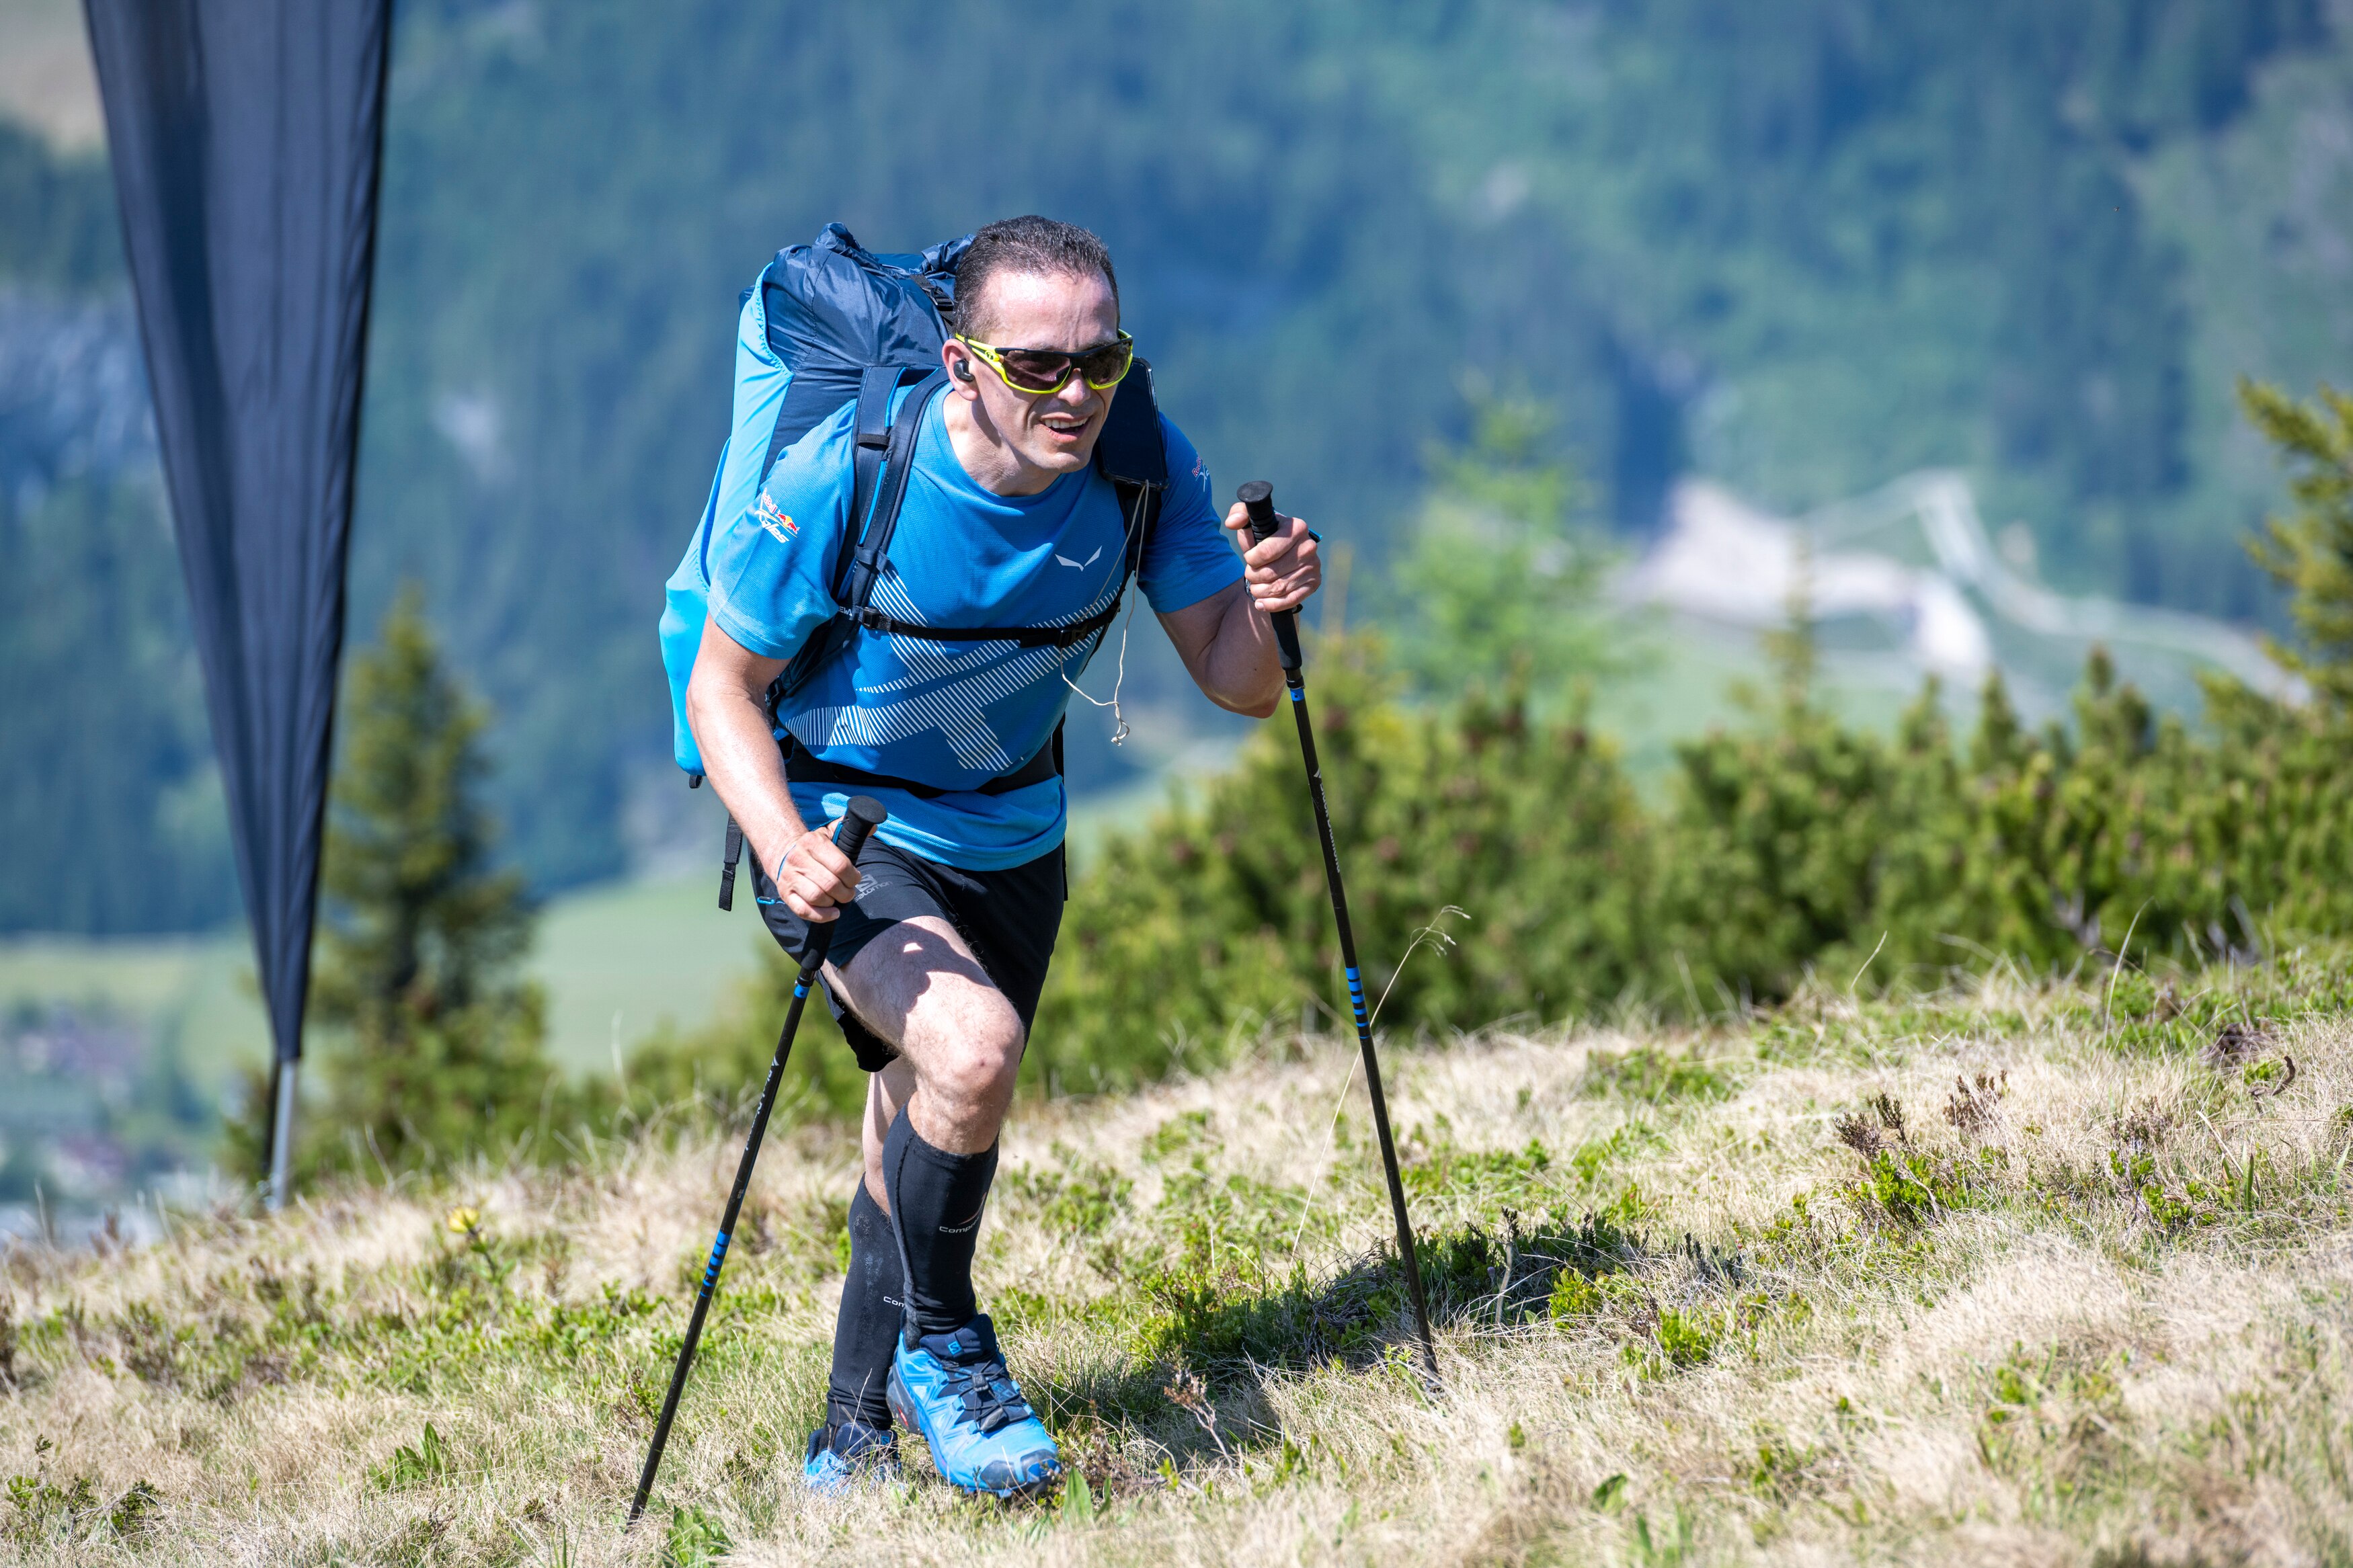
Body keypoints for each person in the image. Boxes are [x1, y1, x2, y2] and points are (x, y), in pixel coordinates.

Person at [684, 214, 1322, 1497]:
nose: (1078, 393)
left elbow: (1238, 682)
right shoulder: (854, 471)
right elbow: (721, 684)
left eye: (1102, 359)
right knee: (972, 1051)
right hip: (843, 832)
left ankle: (849, 1442)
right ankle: (952, 1348)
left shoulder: (1141, 466)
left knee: (925, 1112)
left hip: (1016, 839)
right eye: (1038, 365)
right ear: (964, 359)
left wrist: (1271, 602)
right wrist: (784, 842)